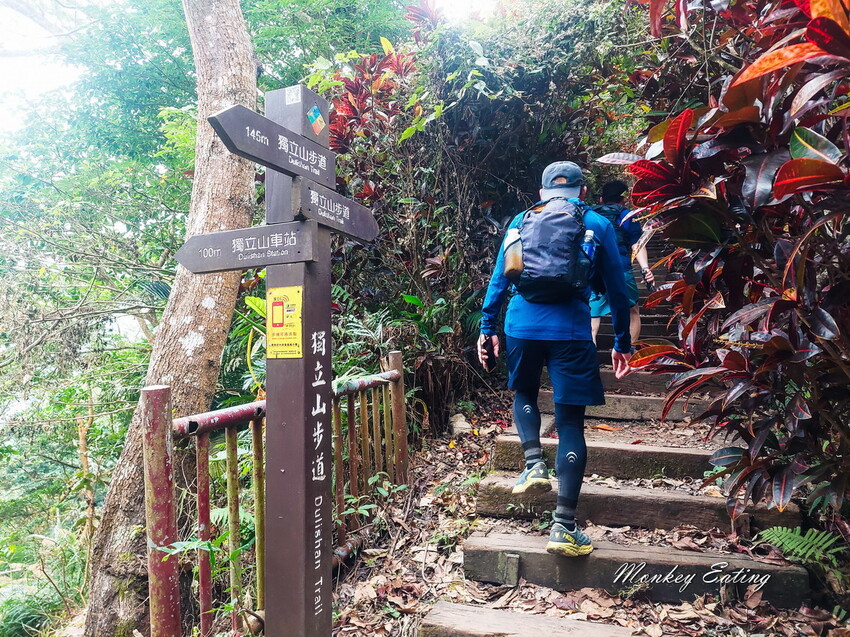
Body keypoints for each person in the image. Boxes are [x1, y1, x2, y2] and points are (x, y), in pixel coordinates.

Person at [477, 161, 633, 557]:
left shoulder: (520, 219)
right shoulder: (596, 222)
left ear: (543, 192)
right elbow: (616, 286)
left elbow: (500, 277)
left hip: (521, 325)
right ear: (582, 192)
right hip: (571, 331)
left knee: (525, 391)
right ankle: (563, 526)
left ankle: (532, 461)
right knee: (569, 423)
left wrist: (487, 326)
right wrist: (622, 342)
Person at [589, 180, 655, 347]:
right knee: (632, 310)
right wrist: (645, 268)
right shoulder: (628, 217)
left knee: (592, 314)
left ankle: (589, 355)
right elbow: (637, 244)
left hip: (593, 269)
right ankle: (630, 354)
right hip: (620, 268)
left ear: (601, 199)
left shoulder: (590, 215)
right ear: (623, 199)